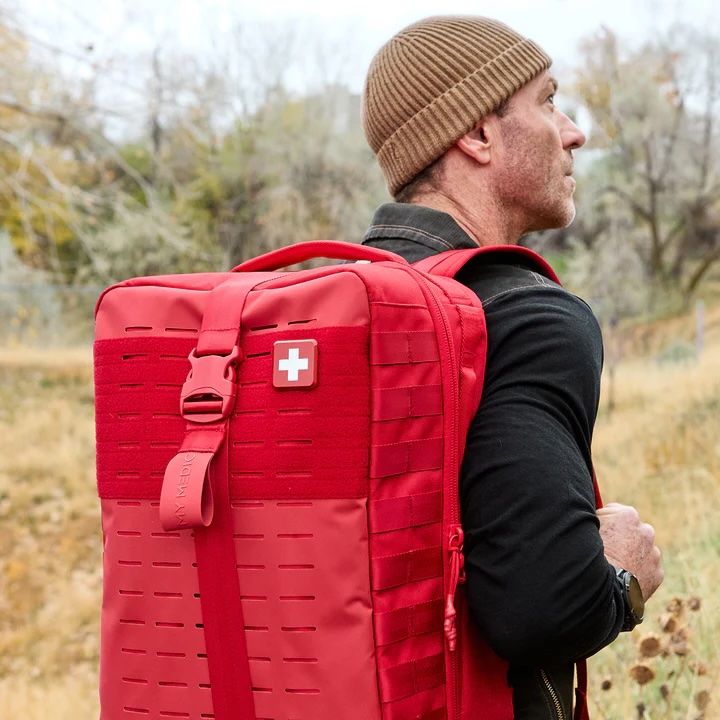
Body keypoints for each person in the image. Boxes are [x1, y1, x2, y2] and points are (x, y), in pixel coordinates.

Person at [360, 16, 664, 719]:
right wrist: (621, 576)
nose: (573, 131)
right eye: (548, 100)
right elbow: (546, 609)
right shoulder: (526, 316)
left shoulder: (332, 304)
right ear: (477, 134)